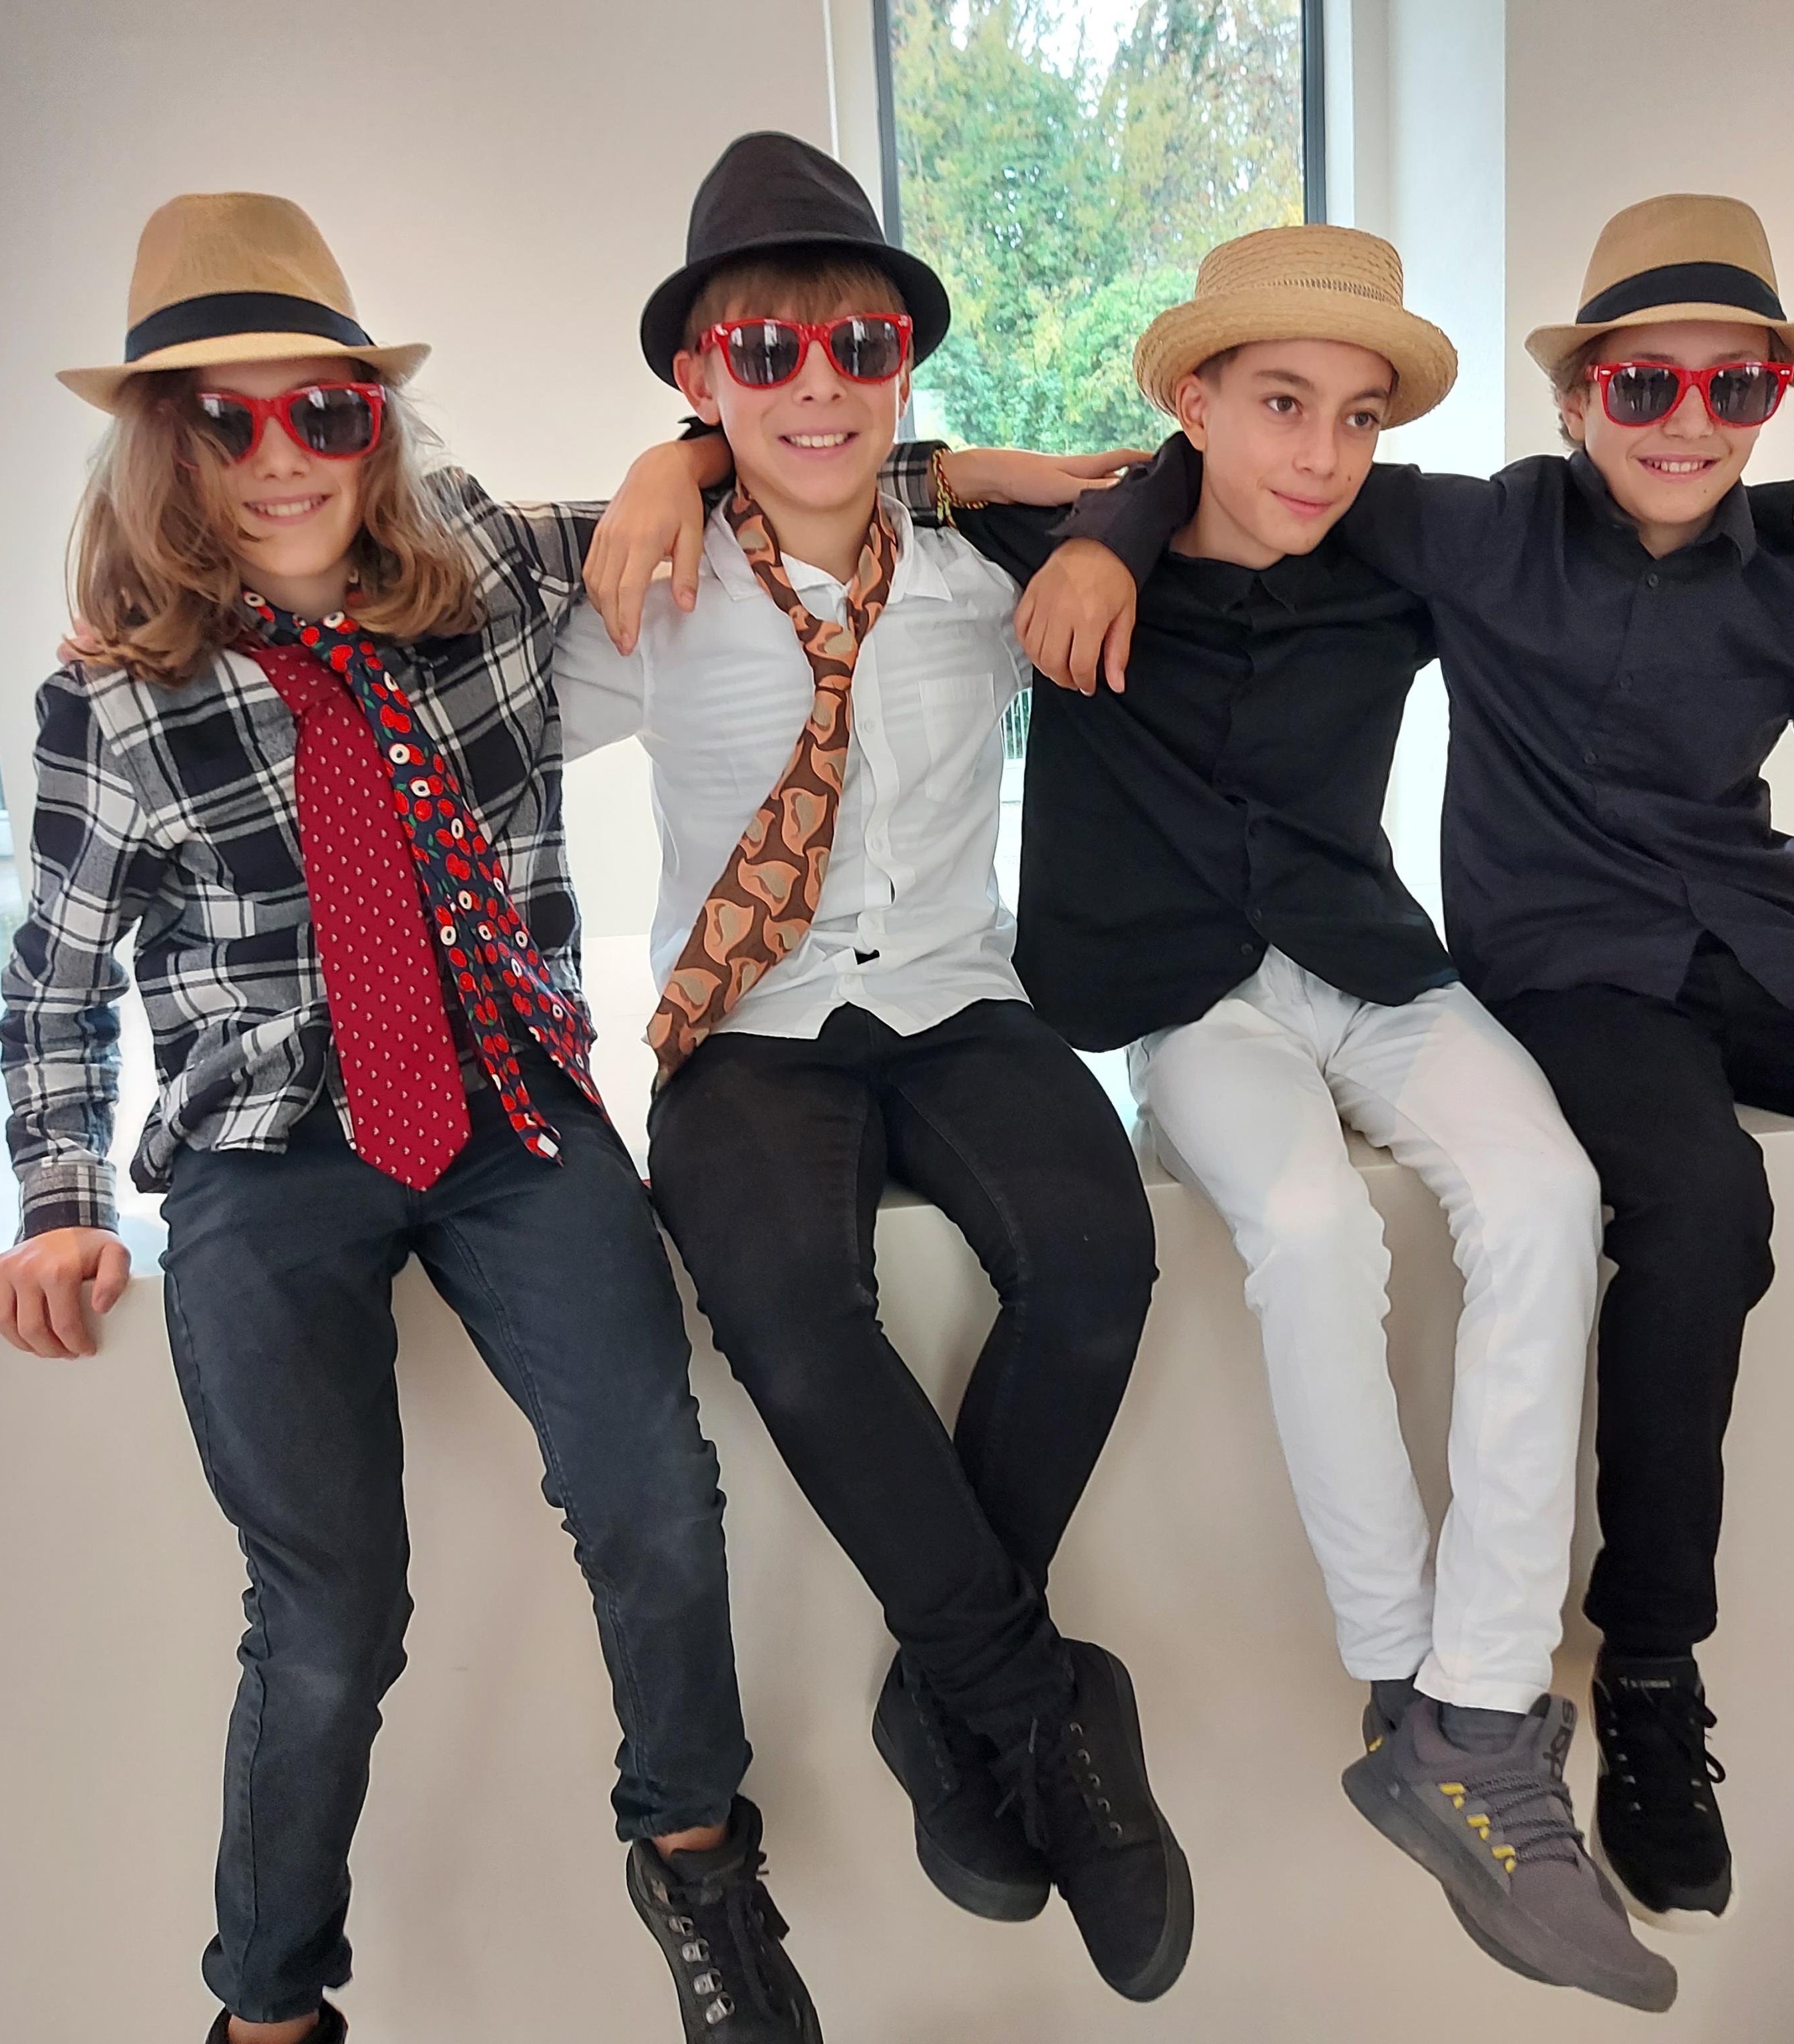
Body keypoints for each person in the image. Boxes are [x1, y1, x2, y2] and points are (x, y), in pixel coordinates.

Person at [1040, 192, 1794, 1942]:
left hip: (1774, 953)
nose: (1689, 421)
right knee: (1697, 1207)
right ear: (1579, 393)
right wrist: (1107, 536)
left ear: (1772, 405)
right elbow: (1218, 468)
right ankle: (1654, 1673)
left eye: (1735, 389)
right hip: (1570, 974)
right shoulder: (1468, 533)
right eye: (1646, 385)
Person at [890, 222, 1794, 2008]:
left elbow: (1626, 508)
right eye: (1280, 404)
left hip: (1374, 963)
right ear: (1193, 398)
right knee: (1307, 1228)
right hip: (1185, 1000)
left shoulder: (1389, 560)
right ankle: (1399, 1677)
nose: (1320, 453)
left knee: (1545, 1199)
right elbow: (853, 476)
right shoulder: (1070, 548)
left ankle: (1481, 1714)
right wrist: (1102, 520)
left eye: (1357, 418)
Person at [0, 192, 822, 2044]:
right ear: (165, 445)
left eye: (326, 411)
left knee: (656, 1494)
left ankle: (696, 1860)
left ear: (377, 422)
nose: (284, 460)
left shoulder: (485, 574)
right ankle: (270, 2010)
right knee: (333, 1615)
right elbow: (53, 983)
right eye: (227, 420)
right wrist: (56, 1196)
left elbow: (784, 476)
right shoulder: (115, 706)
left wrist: (682, 453)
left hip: (507, 1114)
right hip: (268, 1155)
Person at [554, 132, 1194, 2005]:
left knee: (1101, 1260)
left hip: (959, 998)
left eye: (860, 347)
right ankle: (1031, 1709)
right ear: (702, 376)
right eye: (765, 354)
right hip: (751, 1030)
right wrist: (667, 473)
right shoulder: (650, 587)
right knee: (789, 1314)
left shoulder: (982, 578)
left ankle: (940, 1700)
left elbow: (1180, 479)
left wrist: (1033, 502)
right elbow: (434, 606)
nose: (816, 386)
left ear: (906, 364)